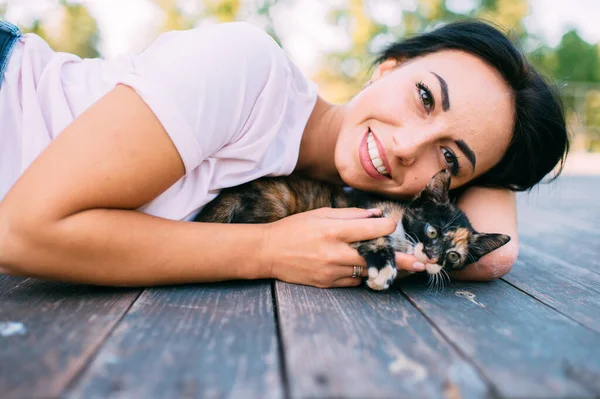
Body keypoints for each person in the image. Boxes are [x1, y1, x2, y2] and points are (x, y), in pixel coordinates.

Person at [0, 18, 568, 288]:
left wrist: (500, 159)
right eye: (424, 97)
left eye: (448, 160)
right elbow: (20, 233)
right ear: (388, 65)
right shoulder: (246, 68)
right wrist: (268, 250)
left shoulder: (343, 195)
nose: (402, 147)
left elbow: (493, 255)